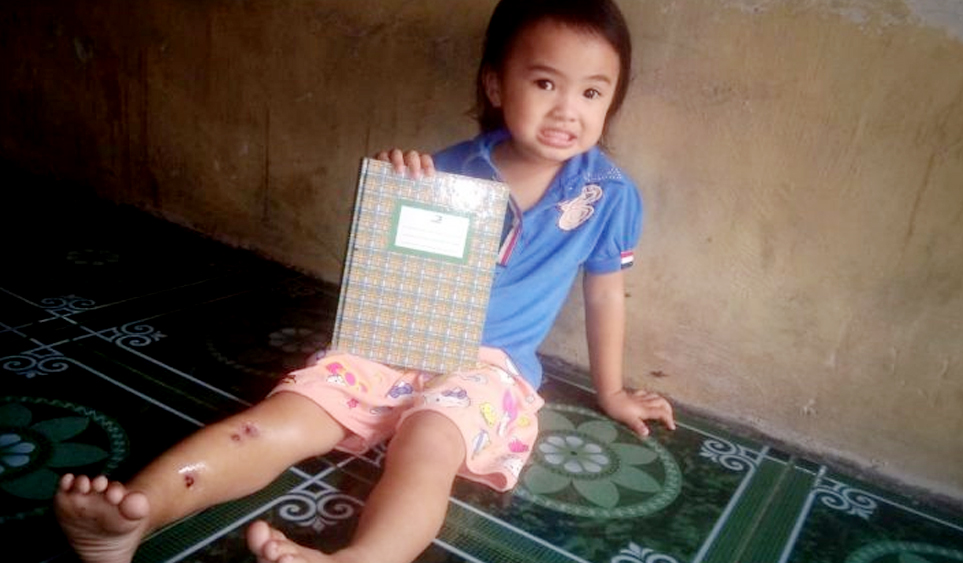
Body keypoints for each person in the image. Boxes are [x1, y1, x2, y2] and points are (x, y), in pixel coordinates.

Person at [53, 1, 675, 562]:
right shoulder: (447, 171)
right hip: (393, 342)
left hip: (489, 368)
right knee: (280, 418)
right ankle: (135, 513)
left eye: (592, 92)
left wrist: (613, 391)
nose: (567, 109)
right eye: (544, 83)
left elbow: (604, 294)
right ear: (495, 84)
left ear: (611, 102)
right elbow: (389, 269)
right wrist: (393, 193)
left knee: (427, 447)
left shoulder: (609, 195)